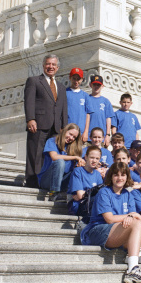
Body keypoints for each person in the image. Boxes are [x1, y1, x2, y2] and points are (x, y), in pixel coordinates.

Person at [79, 162, 141, 283]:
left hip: (117, 231)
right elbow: (109, 219)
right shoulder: (104, 192)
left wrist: (134, 217)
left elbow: (134, 216)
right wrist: (129, 216)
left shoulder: (127, 194)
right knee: (137, 223)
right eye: (116, 175)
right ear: (111, 176)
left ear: (127, 177)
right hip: (98, 230)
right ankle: (132, 270)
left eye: (123, 175)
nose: (119, 178)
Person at [24, 54, 68, 188]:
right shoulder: (34, 81)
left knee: (51, 155)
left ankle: (47, 182)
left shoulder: (61, 86)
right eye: (48, 64)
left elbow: (63, 108)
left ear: (58, 67)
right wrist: (31, 119)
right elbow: (29, 101)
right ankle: (32, 182)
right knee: (35, 154)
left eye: (54, 65)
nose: (51, 67)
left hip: (56, 128)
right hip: (38, 124)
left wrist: (64, 127)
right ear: (43, 66)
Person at [38, 123, 84, 199]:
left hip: (62, 181)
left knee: (78, 170)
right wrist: (75, 157)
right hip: (47, 180)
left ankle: (72, 195)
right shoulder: (52, 141)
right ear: (65, 131)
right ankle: (53, 193)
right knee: (60, 162)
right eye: (70, 134)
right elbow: (54, 157)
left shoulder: (73, 149)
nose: (71, 138)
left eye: (74, 137)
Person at [67, 144, 103, 216]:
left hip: (91, 203)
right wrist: (91, 193)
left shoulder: (98, 174)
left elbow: (100, 194)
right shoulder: (78, 171)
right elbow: (80, 196)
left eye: (97, 158)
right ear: (86, 157)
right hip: (78, 205)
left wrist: (85, 193)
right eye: (92, 157)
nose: (94, 161)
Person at [83, 75, 113, 147]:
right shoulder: (86, 99)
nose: (96, 87)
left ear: (102, 86)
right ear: (90, 85)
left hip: (101, 138)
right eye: (94, 84)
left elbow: (108, 119)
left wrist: (108, 135)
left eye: (98, 85)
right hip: (88, 137)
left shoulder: (106, 101)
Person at [66, 67, 87, 133]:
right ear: (70, 78)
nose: (76, 81)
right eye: (74, 78)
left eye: (78, 79)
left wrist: (86, 132)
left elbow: (88, 115)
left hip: (81, 132)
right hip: (67, 130)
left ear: (82, 79)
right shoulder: (64, 93)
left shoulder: (85, 96)